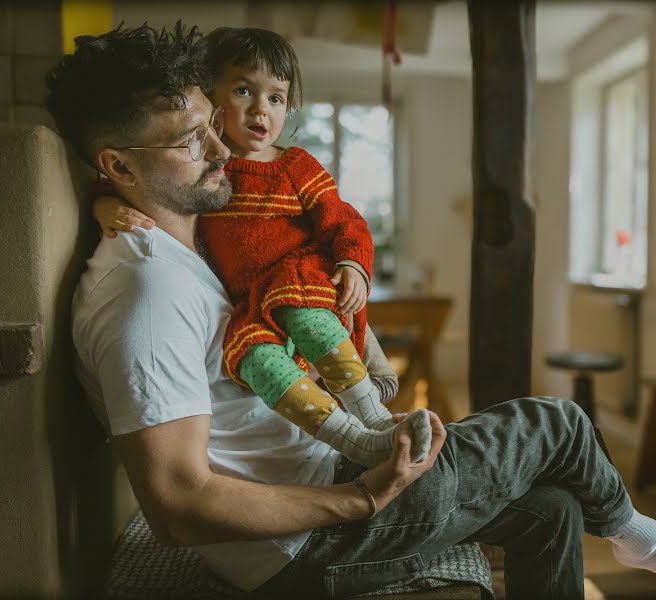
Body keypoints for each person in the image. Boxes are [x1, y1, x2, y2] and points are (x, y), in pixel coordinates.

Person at [47, 22, 656, 600]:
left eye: (211, 123)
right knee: (554, 422)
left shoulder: (180, 237)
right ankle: (638, 536)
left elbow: (294, 233)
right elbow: (176, 506)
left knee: (551, 511)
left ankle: (625, 531)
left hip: (320, 481)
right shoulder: (145, 292)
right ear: (120, 165)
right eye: (191, 140)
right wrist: (364, 499)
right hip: (305, 549)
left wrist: (106, 203)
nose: (223, 146)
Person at [90, 26, 432, 469]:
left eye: (276, 98)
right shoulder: (206, 165)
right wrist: (102, 206)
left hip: (299, 277)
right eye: (243, 91)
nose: (260, 109)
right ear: (213, 97)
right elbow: (115, 177)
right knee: (253, 358)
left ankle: (373, 415)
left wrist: (353, 264)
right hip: (250, 303)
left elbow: (343, 219)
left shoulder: (295, 166)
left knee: (302, 311)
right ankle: (352, 440)